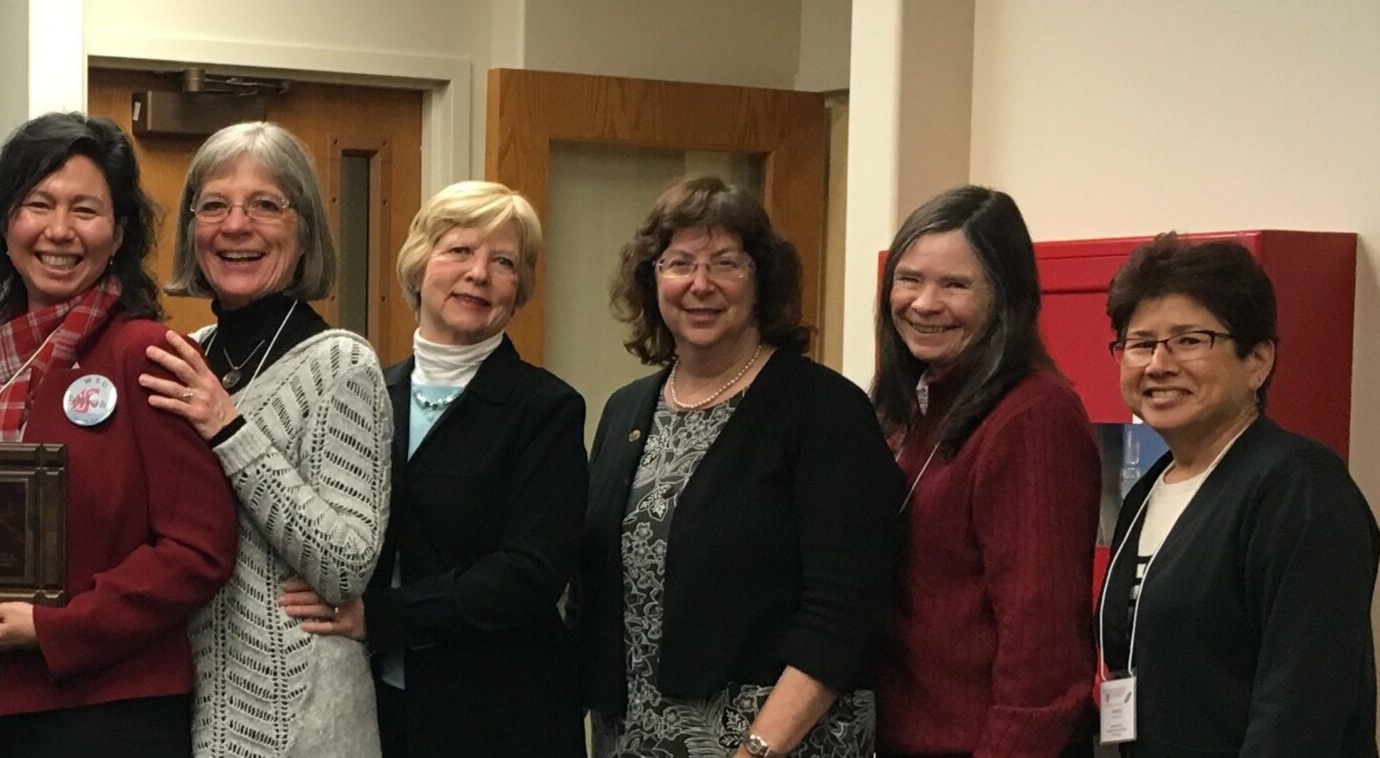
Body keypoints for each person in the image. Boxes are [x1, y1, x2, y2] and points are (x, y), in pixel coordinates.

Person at [0, 112, 239, 758]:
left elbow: (199, 549)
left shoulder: (147, 356)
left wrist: (56, 628)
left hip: (106, 713)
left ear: (119, 232)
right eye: (38, 205)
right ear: (5, 225)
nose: (59, 231)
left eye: (85, 210)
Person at [579, 175, 902, 758]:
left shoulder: (824, 412)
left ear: (762, 279)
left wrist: (758, 748)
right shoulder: (625, 409)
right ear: (652, 279)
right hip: (633, 741)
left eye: (726, 262)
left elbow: (844, 612)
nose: (700, 285)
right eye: (679, 263)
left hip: (775, 745)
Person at [282, 181, 587, 757]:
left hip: (498, 715)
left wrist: (380, 616)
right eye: (460, 251)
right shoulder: (365, 391)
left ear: (519, 288)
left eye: (504, 262)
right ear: (419, 266)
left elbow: (531, 571)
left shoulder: (545, 409)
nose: (479, 274)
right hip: (375, 706)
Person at [133, 120, 387, 757]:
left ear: (304, 234)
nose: (235, 225)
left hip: (303, 720)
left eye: (266, 205)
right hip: (180, 709)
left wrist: (230, 429)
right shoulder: (183, 358)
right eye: (213, 205)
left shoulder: (341, 364)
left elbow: (345, 563)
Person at [1095, 233, 1377, 756]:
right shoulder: (1148, 491)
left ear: (1258, 361)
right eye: (1141, 343)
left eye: (1189, 340)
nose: (1159, 364)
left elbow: (1300, 712)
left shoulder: (1299, 488)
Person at [870, 186, 1097, 758]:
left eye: (955, 285)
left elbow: (1042, 649)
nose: (924, 303)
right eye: (910, 278)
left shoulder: (1033, 415)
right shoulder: (911, 407)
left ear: (1006, 298)